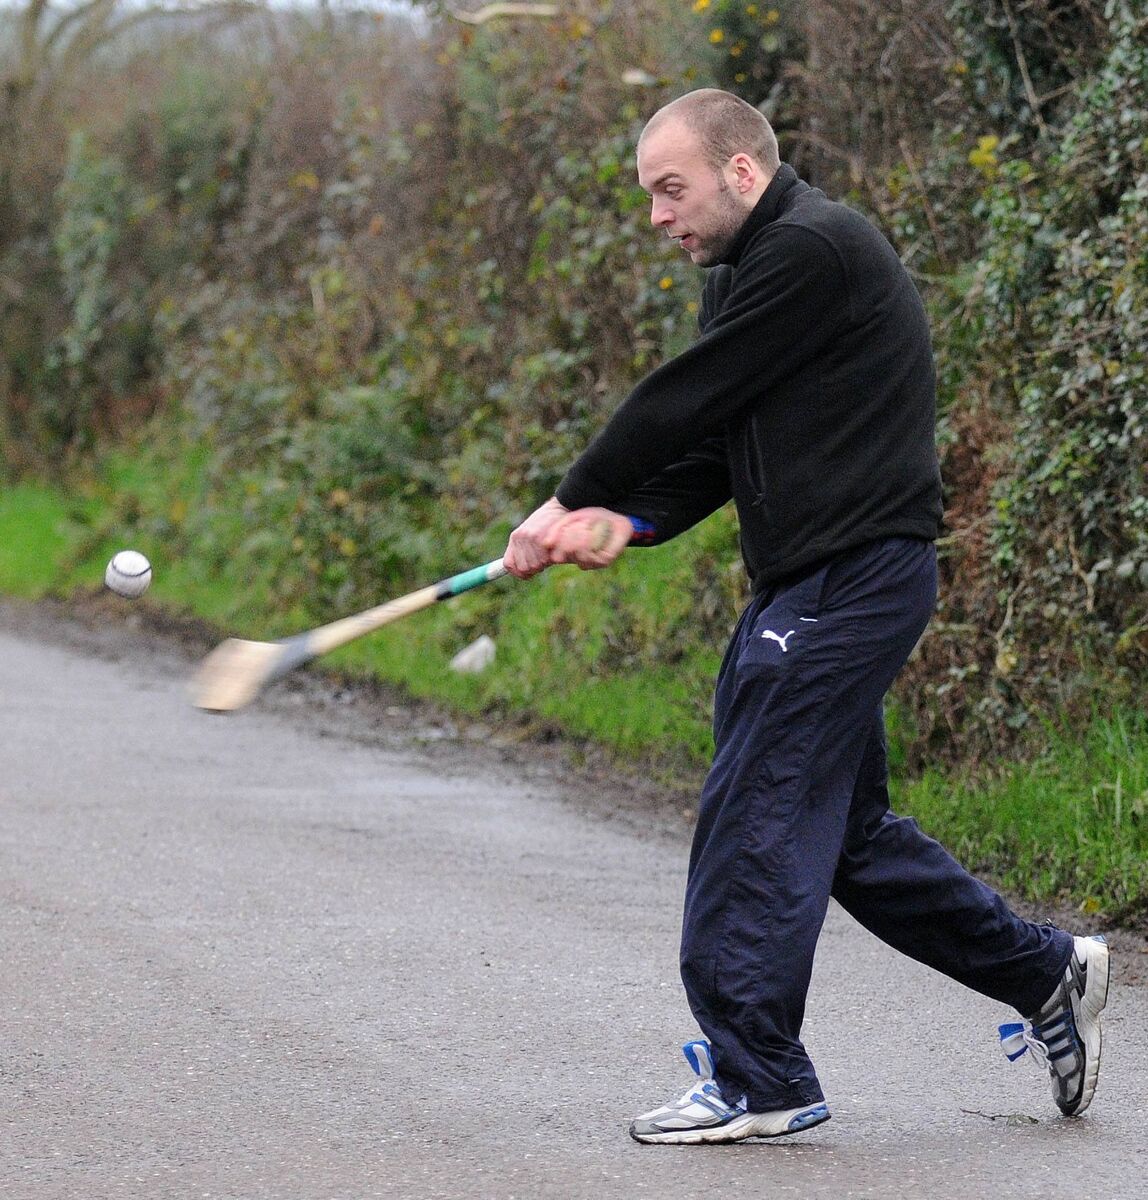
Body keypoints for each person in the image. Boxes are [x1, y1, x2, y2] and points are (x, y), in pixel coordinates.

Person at [502, 88, 1110, 1145]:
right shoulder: (747, 275)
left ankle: (756, 1077)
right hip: (811, 587)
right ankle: (1044, 972)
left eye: (669, 188)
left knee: (756, 813)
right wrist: (619, 521)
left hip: (849, 581)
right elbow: (708, 446)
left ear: (742, 171)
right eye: (649, 194)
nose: (656, 215)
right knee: (845, 837)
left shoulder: (813, 249)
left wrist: (567, 491)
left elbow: (681, 395)